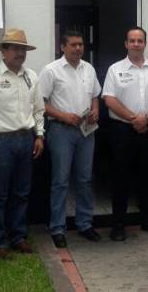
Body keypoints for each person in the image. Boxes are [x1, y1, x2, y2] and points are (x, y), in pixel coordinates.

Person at [0, 29, 45, 259]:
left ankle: (18, 237)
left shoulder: (31, 76)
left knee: (22, 193)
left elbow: (39, 109)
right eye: (14, 48)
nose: (19, 53)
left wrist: (39, 135)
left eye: (23, 49)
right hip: (0, 142)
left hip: (26, 139)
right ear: (3, 52)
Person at [102, 27, 148, 241]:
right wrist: (135, 119)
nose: (136, 44)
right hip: (123, 131)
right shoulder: (115, 69)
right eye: (132, 40)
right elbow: (109, 99)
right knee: (121, 178)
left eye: (140, 40)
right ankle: (118, 225)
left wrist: (146, 118)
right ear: (126, 44)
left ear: (145, 44)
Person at [38, 30, 101, 249]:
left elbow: (95, 95)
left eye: (80, 44)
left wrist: (95, 110)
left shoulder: (89, 68)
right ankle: (57, 228)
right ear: (62, 47)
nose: (78, 48)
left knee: (85, 179)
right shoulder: (51, 70)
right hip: (61, 130)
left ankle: (85, 224)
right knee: (61, 181)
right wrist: (63, 115)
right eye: (73, 44)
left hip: (86, 131)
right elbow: (40, 103)